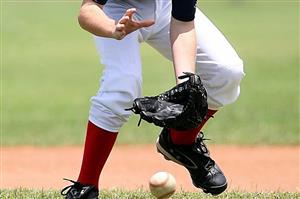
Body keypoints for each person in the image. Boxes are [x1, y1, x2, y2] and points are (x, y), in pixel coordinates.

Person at [61, 0, 244, 198]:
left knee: (226, 72)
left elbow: (183, 22)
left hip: (166, 8)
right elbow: (87, 10)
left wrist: (186, 85)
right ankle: (85, 186)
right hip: (116, 11)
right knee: (122, 87)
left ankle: (179, 142)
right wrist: (113, 28)